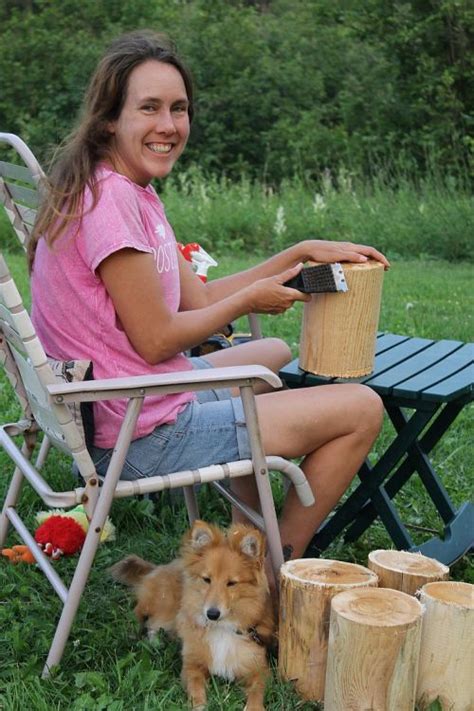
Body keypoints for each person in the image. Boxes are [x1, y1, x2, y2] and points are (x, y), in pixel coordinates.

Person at [30, 30, 389, 567]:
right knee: (363, 407)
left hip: (122, 402)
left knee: (271, 355)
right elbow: (156, 341)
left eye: (179, 109)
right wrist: (249, 302)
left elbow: (197, 297)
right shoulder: (112, 208)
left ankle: (245, 537)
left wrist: (299, 253)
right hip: (138, 433)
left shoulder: (127, 190)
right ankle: (272, 566)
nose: (169, 126)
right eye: (148, 108)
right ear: (110, 119)